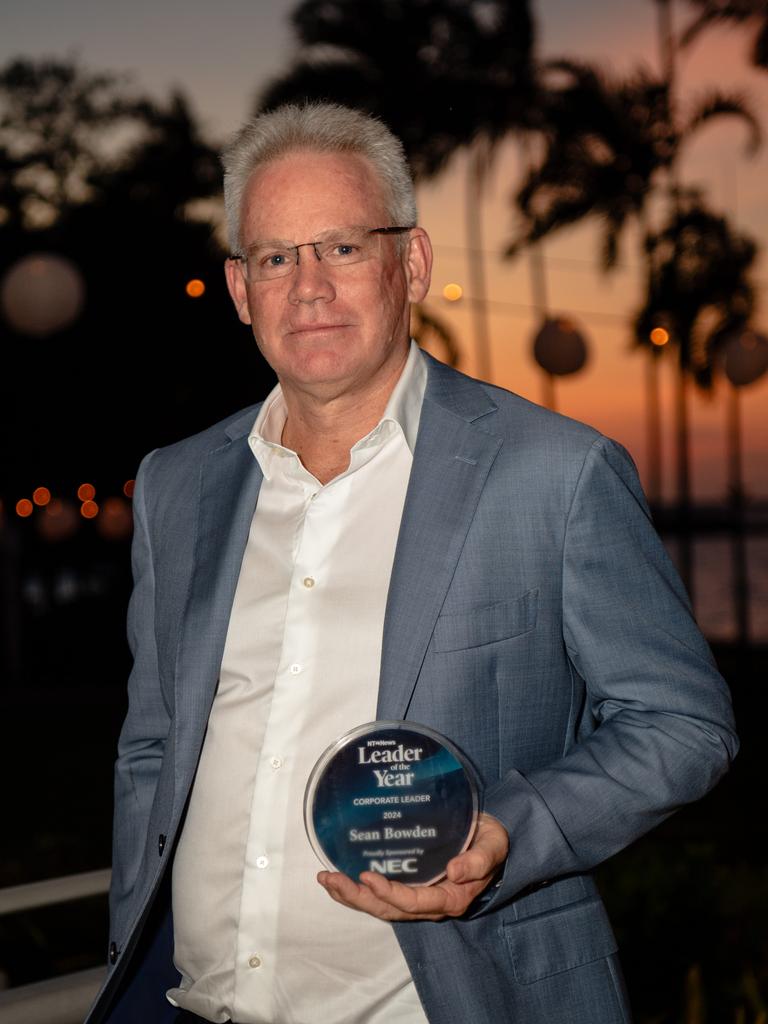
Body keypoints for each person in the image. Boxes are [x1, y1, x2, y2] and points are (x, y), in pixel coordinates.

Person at [86, 103, 737, 1024]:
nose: (307, 286)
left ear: (413, 264)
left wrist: (510, 831)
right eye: (275, 257)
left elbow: (683, 723)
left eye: (343, 247)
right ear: (240, 288)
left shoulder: (553, 471)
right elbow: (154, 746)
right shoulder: (177, 485)